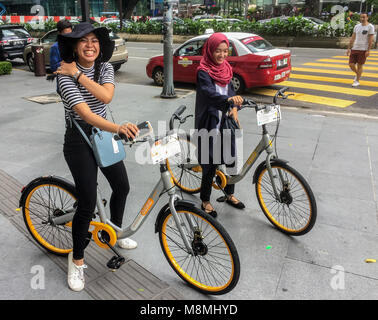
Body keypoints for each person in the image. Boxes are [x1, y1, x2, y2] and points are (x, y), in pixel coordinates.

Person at [55, 22, 139, 292]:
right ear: (74, 46)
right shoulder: (62, 77)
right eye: (83, 41)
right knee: (88, 201)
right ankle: (77, 260)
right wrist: (119, 128)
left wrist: (79, 75)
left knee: (122, 186)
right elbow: (87, 115)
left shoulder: (104, 68)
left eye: (94, 40)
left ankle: (112, 230)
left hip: (104, 136)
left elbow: (106, 96)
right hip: (79, 139)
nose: (90, 45)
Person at [194, 33, 245, 219]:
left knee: (231, 157)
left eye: (225, 51)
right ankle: (205, 200)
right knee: (210, 163)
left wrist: (235, 106)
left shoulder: (226, 68)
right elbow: (208, 93)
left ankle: (229, 194)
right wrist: (228, 100)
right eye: (218, 51)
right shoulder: (203, 71)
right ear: (210, 50)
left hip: (225, 120)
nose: (222, 55)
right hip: (209, 121)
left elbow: (230, 90)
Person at [347, 12, 375, 87]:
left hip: (363, 49)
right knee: (351, 64)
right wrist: (349, 48)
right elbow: (353, 37)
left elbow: (371, 40)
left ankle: (357, 81)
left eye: (364, 17)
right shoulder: (356, 26)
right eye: (361, 17)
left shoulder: (370, 27)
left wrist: (368, 50)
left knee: (360, 65)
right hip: (355, 48)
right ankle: (358, 74)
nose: (362, 19)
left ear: (367, 18)